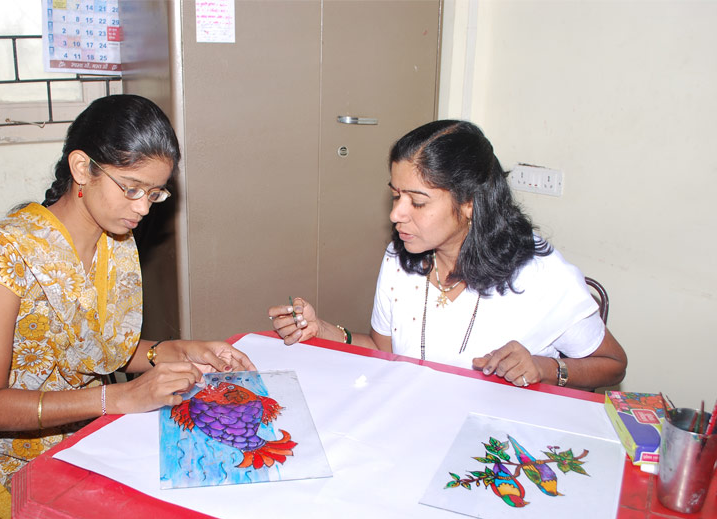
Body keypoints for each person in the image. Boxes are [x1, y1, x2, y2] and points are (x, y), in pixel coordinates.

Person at [0, 94, 254, 519]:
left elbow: (97, 352)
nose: (143, 208)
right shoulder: (7, 252)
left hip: (87, 428)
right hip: (11, 457)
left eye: (155, 193)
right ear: (82, 168)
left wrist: (179, 350)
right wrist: (119, 397)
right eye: (131, 188)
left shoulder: (115, 241)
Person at [268, 120, 626, 391]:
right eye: (396, 196)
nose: (396, 214)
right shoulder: (401, 257)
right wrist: (323, 330)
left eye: (417, 202)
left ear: (469, 203)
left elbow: (613, 364)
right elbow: (384, 350)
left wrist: (545, 368)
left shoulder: (539, 275)